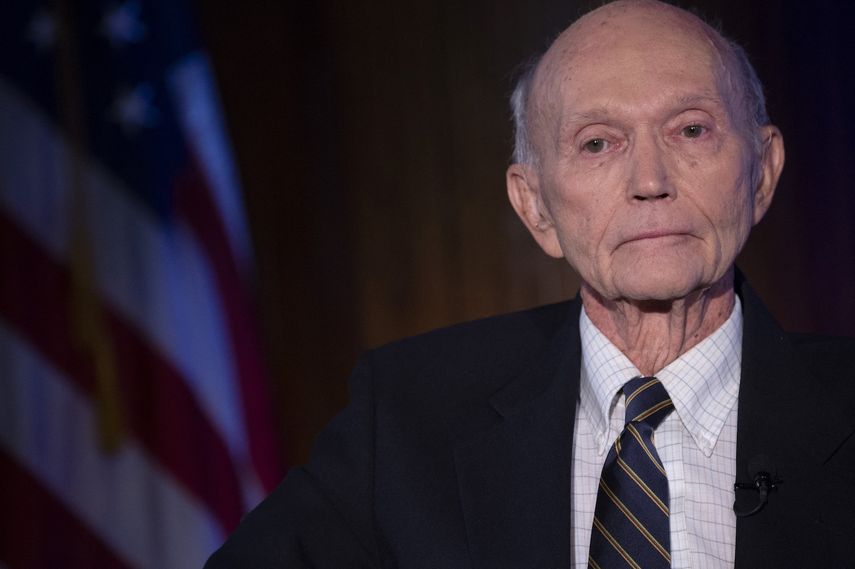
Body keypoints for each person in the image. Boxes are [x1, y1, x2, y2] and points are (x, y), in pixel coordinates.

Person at [206, 1, 855, 567]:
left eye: (691, 129)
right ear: (535, 206)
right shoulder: (407, 418)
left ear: (762, 172)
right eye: (597, 143)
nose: (650, 180)